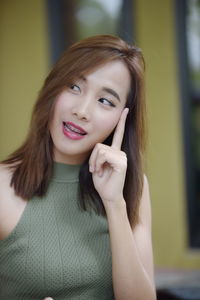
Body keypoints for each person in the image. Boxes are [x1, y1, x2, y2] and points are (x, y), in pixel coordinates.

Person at [0, 35, 156, 300]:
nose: (82, 111)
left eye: (105, 101)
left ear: (121, 120)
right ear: (53, 89)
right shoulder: (3, 184)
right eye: (74, 86)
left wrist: (114, 203)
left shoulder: (132, 186)